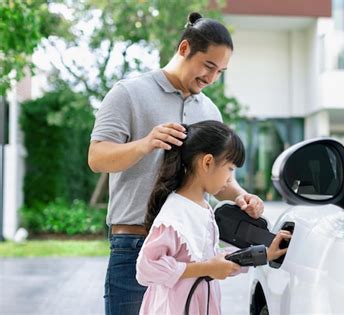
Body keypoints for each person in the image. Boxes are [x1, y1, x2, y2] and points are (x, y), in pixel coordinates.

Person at [88, 12, 264, 315]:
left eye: (220, 71)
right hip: (134, 245)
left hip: (191, 252)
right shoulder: (128, 93)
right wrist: (146, 144)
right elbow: (97, 158)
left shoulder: (210, 111)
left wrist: (240, 196)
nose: (211, 78)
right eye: (208, 65)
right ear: (184, 49)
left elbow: (215, 176)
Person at [135, 120, 291, 315]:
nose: (230, 179)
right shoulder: (174, 215)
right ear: (207, 162)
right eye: (230, 169)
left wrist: (265, 255)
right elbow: (146, 268)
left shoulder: (203, 208)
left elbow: (212, 257)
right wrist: (206, 268)